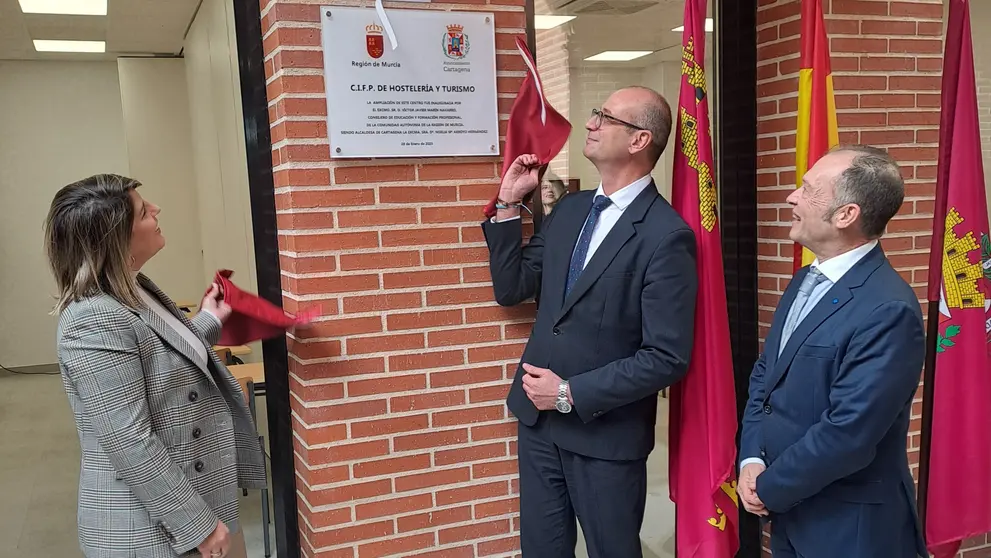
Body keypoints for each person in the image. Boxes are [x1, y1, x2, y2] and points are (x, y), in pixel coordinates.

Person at [482, 86, 698, 557]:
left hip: (605, 436)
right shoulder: (572, 211)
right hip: (538, 425)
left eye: (604, 116)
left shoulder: (667, 236)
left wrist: (568, 393)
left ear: (640, 141)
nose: (591, 123)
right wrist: (506, 204)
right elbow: (513, 287)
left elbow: (666, 356)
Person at [45, 174, 266, 558]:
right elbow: (130, 441)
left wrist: (210, 319)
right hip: (152, 528)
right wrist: (194, 523)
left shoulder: (135, 287)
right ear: (117, 239)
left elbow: (161, 355)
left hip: (198, 498)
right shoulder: (92, 320)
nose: (157, 210)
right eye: (144, 211)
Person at [737, 146, 927, 558]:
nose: (792, 197)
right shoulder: (805, 279)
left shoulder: (888, 309)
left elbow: (848, 432)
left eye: (808, 190)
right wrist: (751, 457)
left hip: (849, 531)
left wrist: (768, 488)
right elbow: (766, 375)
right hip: (792, 515)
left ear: (846, 215)